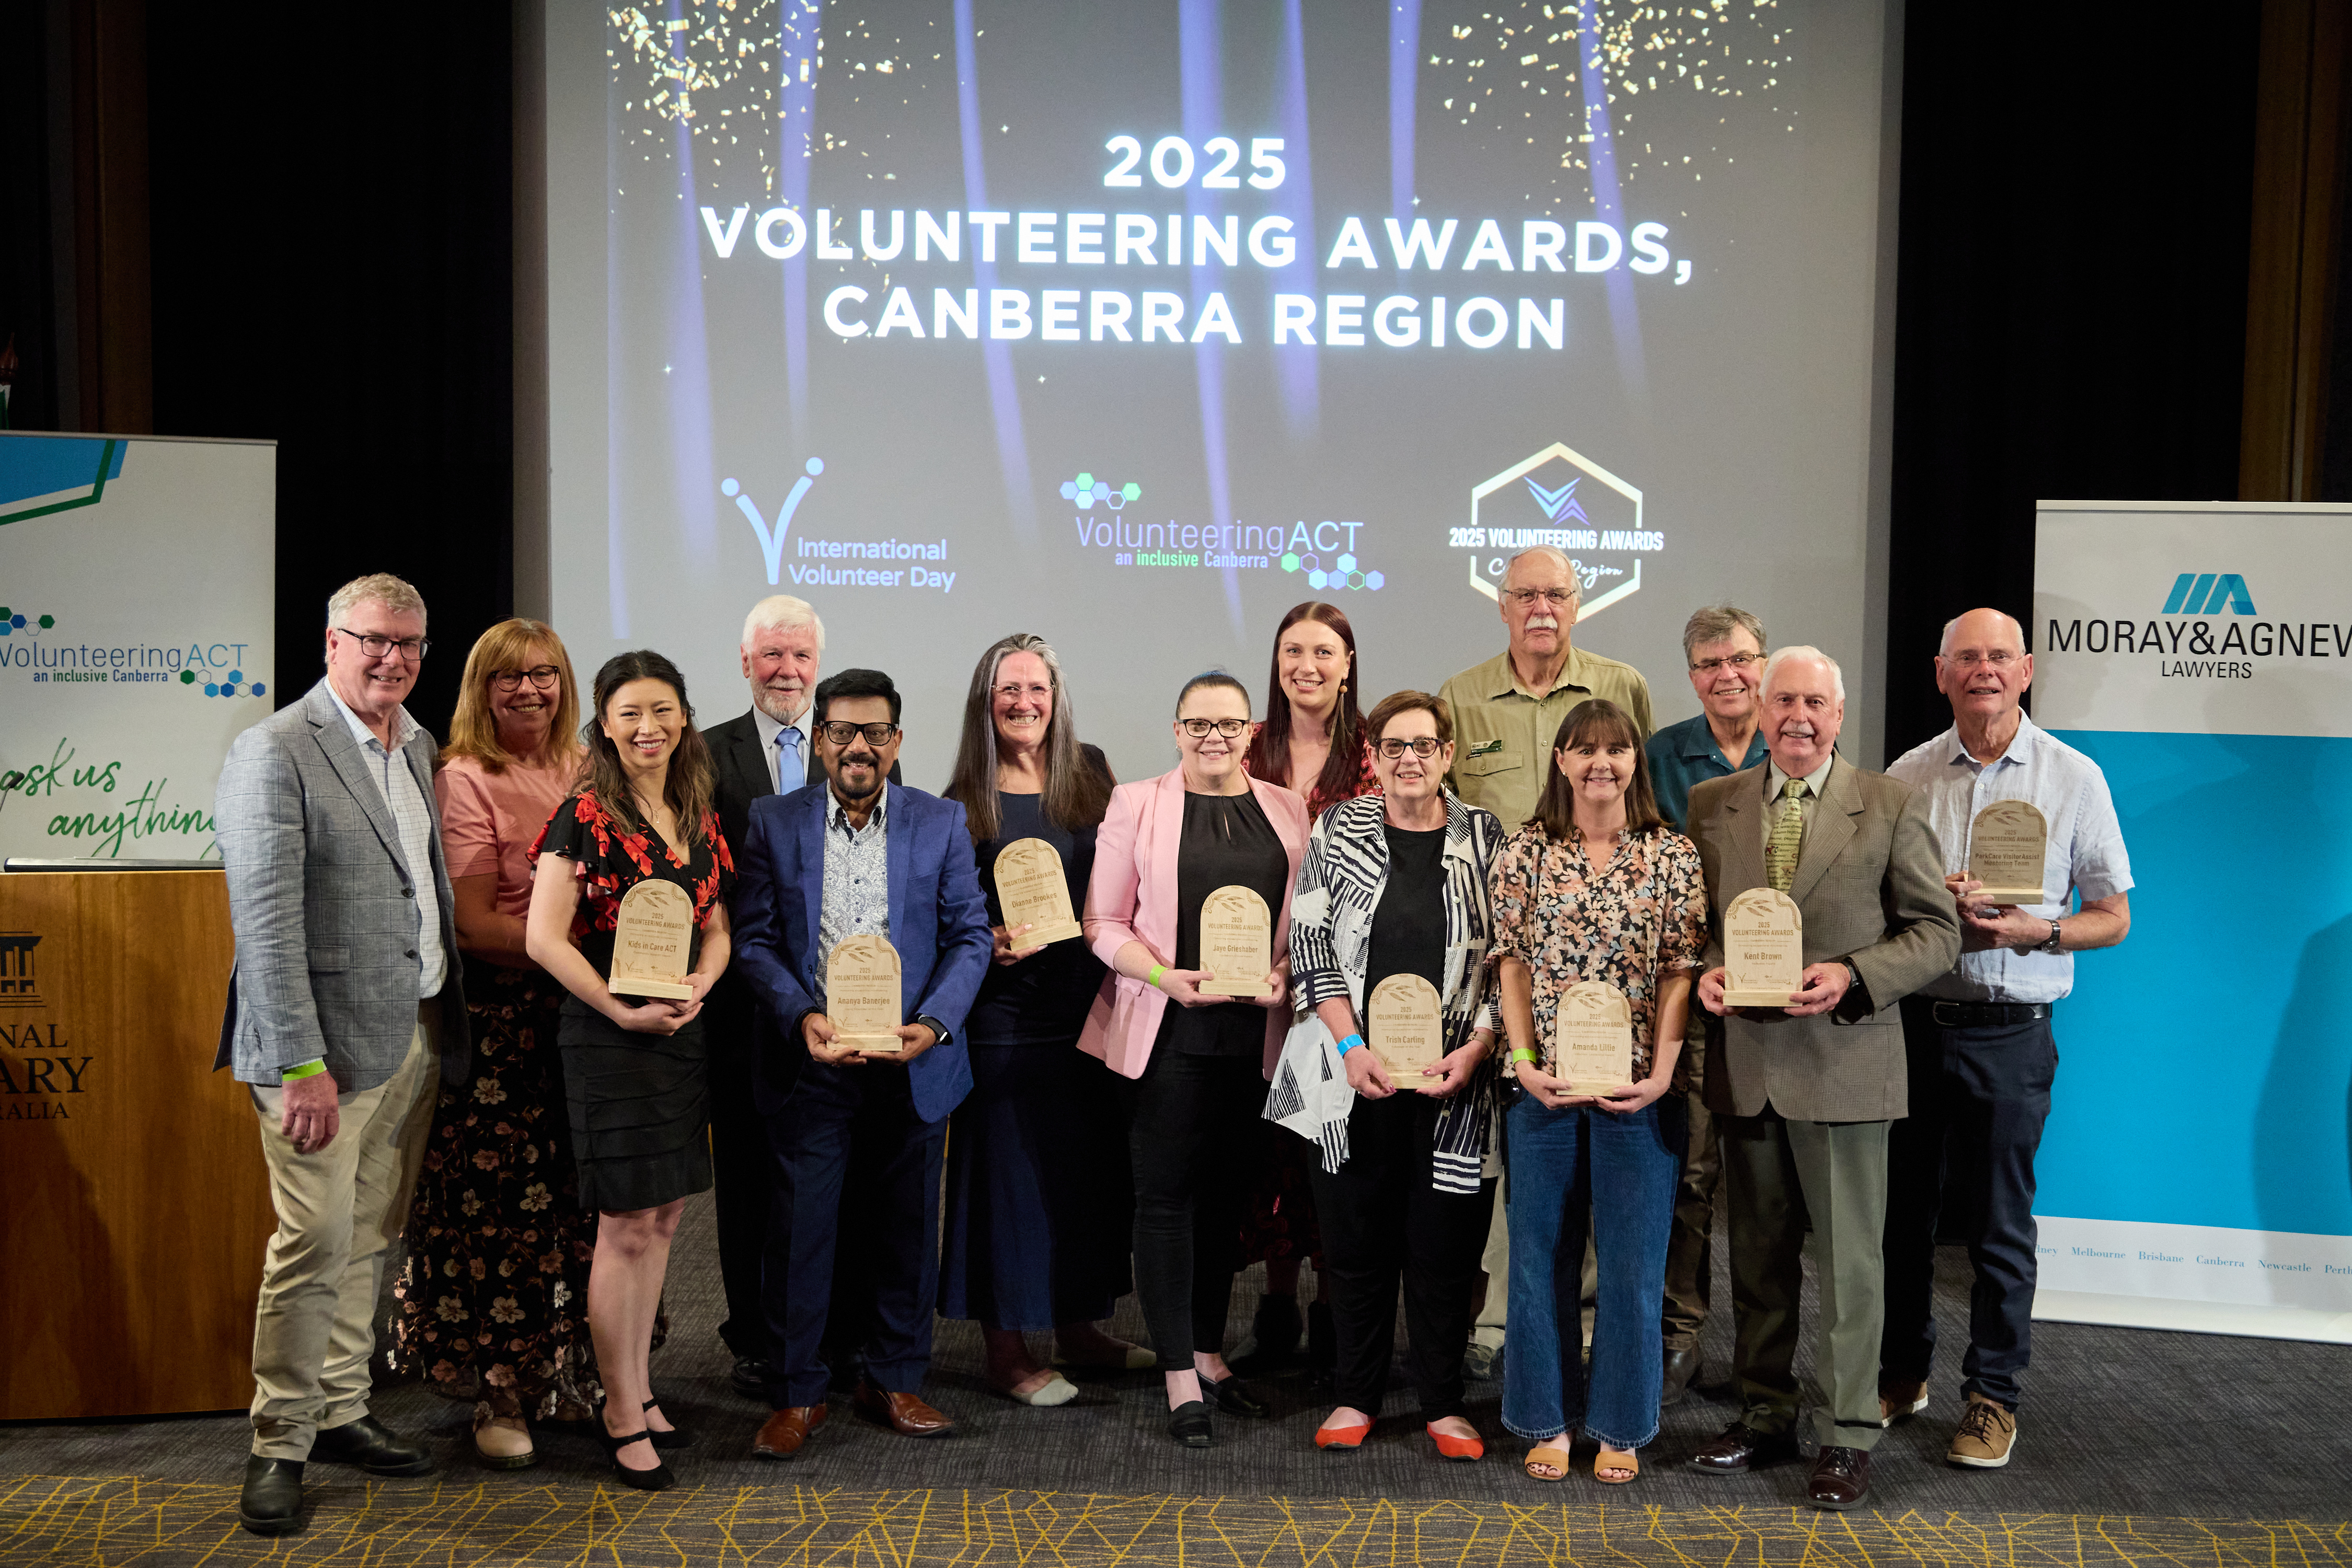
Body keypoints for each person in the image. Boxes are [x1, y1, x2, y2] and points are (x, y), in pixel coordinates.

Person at [214, 572, 472, 1536]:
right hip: (316, 1062)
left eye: (408, 645)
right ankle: (277, 1442)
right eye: (373, 640)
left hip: (409, 1035)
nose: (391, 659)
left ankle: (339, 1412)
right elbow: (268, 925)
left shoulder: (416, 746)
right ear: (331, 643)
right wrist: (295, 1066)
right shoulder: (274, 750)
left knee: (369, 1238)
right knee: (311, 1246)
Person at [1684, 647, 1960, 1511]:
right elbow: (1692, 925)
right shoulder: (1711, 803)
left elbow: (1935, 932)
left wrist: (1853, 975)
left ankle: (1846, 1433)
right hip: (1749, 1065)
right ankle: (1766, 1414)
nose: (1798, 716)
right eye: (1783, 702)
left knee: (1850, 1266)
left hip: (1846, 1062)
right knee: (1757, 1258)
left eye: (1815, 702)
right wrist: (1705, 971)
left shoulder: (1889, 803)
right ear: (1760, 712)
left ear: (1840, 715)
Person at [1880, 609, 2132, 1470]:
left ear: (2025, 672)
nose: (1983, 671)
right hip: (1913, 1024)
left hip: (2013, 1033)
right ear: (1940, 673)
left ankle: (1992, 1398)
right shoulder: (1907, 776)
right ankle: (1900, 1374)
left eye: (1999, 658)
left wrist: (2039, 931)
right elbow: (1878, 902)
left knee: (1997, 1227)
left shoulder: (2075, 777)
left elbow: (2115, 916)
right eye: (1966, 659)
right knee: (1901, 1220)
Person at [733, 668, 991, 1457]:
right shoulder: (773, 821)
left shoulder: (940, 821)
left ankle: (895, 1379)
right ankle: (797, 1393)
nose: (858, 746)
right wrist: (802, 1015)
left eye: (875, 733)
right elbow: (755, 940)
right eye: (842, 731)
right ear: (819, 740)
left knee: (907, 1231)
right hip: (814, 1061)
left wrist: (936, 1025)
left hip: (910, 1062)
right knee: (803, 1233)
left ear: (896, 743)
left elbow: (970, 935)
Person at [1437, 545, 1654, 1381]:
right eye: (1524, 594)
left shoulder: (1621, 686)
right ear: (1501, 606)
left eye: (1556, 594)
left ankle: (1590, 1320)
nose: (1541, 608)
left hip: (1610, 969)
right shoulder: (1462, 696)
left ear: (1578, 602)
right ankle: (1501, 1320)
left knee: (1605, 1136)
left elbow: (1637, 804)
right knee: (1515, 1148)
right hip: (1506, 964)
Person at [1080, 671, 1311, 1447]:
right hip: (1168, 1035)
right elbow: (1103, 923)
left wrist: (1287, 975)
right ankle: (1179, 1370)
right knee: (1168, 1202)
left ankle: (1210, 1351)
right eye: (1198, 724)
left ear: (1252, 732)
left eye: (1229, 725)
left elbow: (1299, 923)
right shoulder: (1136, 803)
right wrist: (1161, 976)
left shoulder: (1286, 807)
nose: (1214, 737)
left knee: (1225, 1205)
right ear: (1176, 729)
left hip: (1256, 1040)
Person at [388, 618, 597, 1469]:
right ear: (481, 687)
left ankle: (577, 1380)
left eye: (544, 675)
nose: (529, 691)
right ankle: (499, 1395)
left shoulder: (592, 769)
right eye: (508, 678)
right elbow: (474, 923)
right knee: (505, 1218)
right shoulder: (465, 776)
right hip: (510, 1031)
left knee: (585, 1211)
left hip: (591, 1025)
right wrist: (588, 949)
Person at [1273, 690, 1503, 1461]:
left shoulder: (1483, 835)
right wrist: (1349, 1048)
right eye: (1394, 745)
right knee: (1357, 1241)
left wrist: (1477, 1048)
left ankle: (1441, 1403)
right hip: (1352, 1076)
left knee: (1444, 1245)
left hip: (1454, 1084)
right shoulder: (1338, 827)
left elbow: (1508, 961)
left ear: (1447, 754)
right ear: (1372, 755)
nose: (1410, 758)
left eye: (1425, 745)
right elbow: (1311, 947)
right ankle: (1355, 1394)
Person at [524, 651, 735, 1491]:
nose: (648, 728)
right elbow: (545, 938)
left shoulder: (696, 809)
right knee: (622, 1227)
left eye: (663, 711)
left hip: (679, 1030)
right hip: (612, 1036)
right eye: (629, 714)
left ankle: (643, 1388)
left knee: (664, 1221)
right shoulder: (583, 812)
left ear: (684, 717)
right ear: (604, 726)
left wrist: (703, 984)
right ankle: (619, 1408)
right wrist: (619, 1008)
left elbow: (717, 927)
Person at [1490, 699, 1707, 1485]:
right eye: (1584, 750)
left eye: (1616, 750)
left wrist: (1661, 1073)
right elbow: (1510, 963)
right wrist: (1520, 1060)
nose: (1600, 764)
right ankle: (1544, 1419)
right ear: (1561, 761)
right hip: (1542, 1089)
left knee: (1630, 1264)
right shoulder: (1526, 852)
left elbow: (1681, 969)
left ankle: (1619, 1424)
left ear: (1634, 762)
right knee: (1540, 1260)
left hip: (1637, 1092)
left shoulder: (1672, 855)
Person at [939, 633, 1150, 1403]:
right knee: (1008, 1188)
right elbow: (945, 913)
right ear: (984, 703)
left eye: (1037, 689)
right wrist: (980, 938)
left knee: (1084, 1180)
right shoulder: (960, 801)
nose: (1024, 703)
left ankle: (1080, 1329)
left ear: (1056, 699)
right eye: (1008, 691)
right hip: (1006, 1021)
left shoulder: (1090, 772)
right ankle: (1006, 1351)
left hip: (1090, 1012)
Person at [1237, 602, 1380, 1368]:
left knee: (1331, 1141)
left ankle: (1332, 1310)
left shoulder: (1371, 756)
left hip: (1339, 985)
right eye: (1293, 650)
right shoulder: (1249, 746)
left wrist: (1310, 962)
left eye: (1324, 652)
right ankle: (1276, 1302)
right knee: (1269, 1147)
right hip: (1249, 983)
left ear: (1349, 663)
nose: (1308, 666)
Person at [1642, 605, 1771, 1407]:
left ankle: (1765, 1351)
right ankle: (1680, 1334)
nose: (1730, 674)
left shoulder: (1796, 737)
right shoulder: (1661, 756)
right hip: (1690, 994)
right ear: (1691, 675)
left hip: (1777, 1003)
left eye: (1744, 658)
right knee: (1690, 1174)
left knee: (1764, 1186)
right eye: (1711, 662)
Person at [700, 595, 825, 1399]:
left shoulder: (856, 749)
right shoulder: (704, 755)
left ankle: (821, 1326)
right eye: (772, 656)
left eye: (801, 657)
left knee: (821, 1173)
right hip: (739, 1008)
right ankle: (751, 1333)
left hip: (838, 1007)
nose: (787, 670)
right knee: (747, 1177)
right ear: (745, 663)